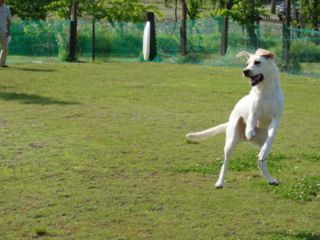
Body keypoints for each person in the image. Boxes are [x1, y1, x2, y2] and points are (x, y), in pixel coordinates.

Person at [0, 0, 11, 68]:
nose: (3, 1)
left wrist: (8, 31)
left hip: (4, 31)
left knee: (5, 48)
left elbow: (9, 20)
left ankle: (2, 63)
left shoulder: (6, 8)